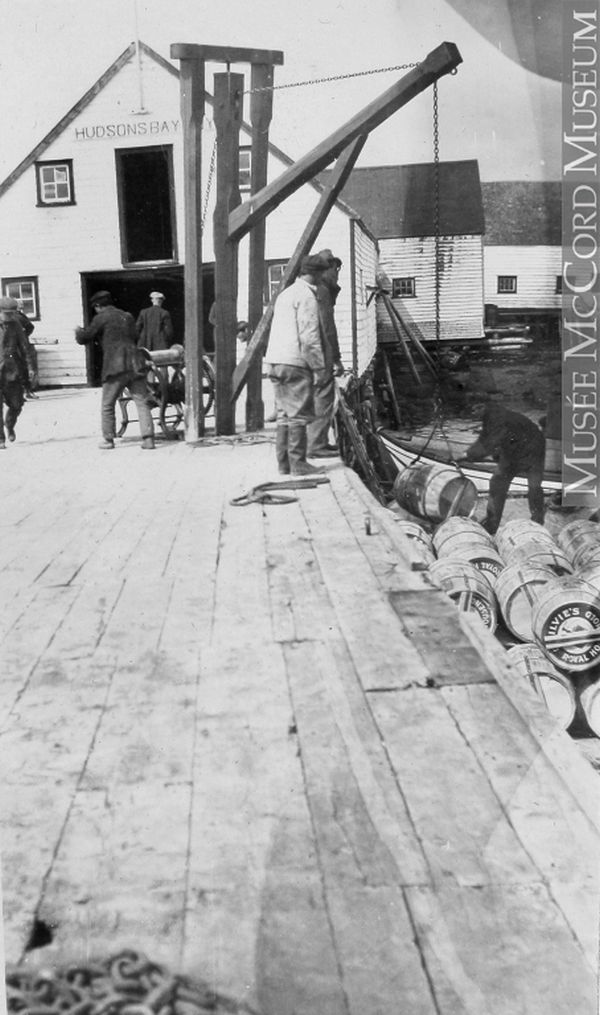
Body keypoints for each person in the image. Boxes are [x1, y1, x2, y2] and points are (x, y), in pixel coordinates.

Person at [265, 253, 329, 476]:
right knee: (299, 415)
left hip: (275, 361)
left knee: (284, 414)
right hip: (295, 363)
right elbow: (309, 337)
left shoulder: (285, 294)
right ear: (318, 274)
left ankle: (284, 464)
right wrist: (320, 368)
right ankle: (299, 464)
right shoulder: (307, 296)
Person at [75, 291, 156, 450]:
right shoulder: (127, 316)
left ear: (98, 306)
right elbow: (135, 336)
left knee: (107, 404)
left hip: (115, 366)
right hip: (135, 364)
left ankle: (108, 440)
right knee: (142, 402)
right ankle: (148, 439)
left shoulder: (101, 317)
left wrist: (78, 331)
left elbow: (85, 337)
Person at [462, 401, 546, 534]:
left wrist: (468, 455)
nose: (473, 414)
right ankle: (492, 523)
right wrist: (472, 453)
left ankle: (537, 521)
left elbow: (491, 442)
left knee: (534, 486)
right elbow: (485, 438)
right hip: (515, 450)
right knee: (497, 483)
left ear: (482, 406)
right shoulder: (490, 416)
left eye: (474, 410)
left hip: (533, 449)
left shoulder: (497, 417)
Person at [307, 248, 345, 458]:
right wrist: (336, 359)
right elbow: (327, 327)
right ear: (325, 269)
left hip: (311, 351)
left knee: (318, 397)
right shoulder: (322, 291)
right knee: (323, 396)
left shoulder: (317, 289)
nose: (337, 272)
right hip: (318, 353)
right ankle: (316, 445)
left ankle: (319, 440)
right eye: (334, 268)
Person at [0, 297, 36, 448]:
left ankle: (9, 424)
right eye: (6, 314)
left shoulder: (15, 325)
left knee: (16, 404)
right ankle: (0, 439)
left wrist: (31, 368)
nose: (9, 317)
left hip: (12, 369)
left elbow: (25, 348)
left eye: (12, 313)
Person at [15, 299, 39, 398]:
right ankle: (26, 392)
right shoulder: (19, 317)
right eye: (20, 304)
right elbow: (30, 327)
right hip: (19, 346)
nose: (22, 306)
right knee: (23, 367)